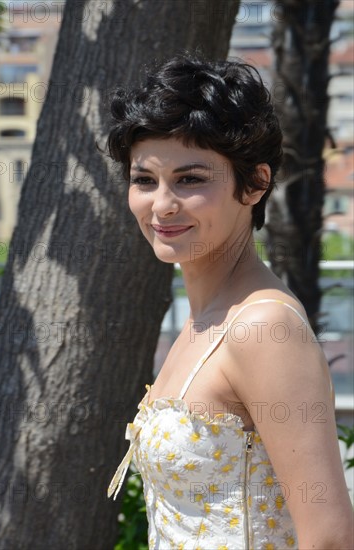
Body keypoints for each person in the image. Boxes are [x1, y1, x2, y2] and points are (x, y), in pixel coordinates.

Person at [106, 55, 353, 549]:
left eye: (190, 179)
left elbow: (329, 537)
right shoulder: (204, 320)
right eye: (145, 179)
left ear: (256, 183)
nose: (162, 205)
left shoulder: (262, 329)